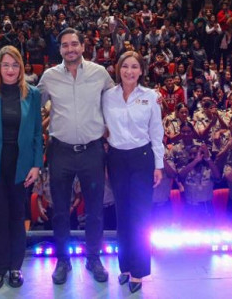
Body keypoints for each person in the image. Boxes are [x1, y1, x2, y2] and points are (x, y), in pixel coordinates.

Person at [38, 28, 115, 285]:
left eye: (74, 44)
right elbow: (32, 106)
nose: (70, 49)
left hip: (92, 151)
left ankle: (93, 257)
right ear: (59, 49)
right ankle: (63, 260)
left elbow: (115, 102)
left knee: (95, 210)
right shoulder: (49, 77)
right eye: (65, 45)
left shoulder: (99, 73)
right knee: (60, 211)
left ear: (83, 46)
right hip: (60, 152)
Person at [0, 45, 43, 289]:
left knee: (17, 216)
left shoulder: (32, 94)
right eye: (6, 65)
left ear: (21, 68)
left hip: (21, 166)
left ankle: (15, 267)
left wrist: (37, 165)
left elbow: (37, 132)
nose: (10, 69)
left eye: (15, 65)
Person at [102, 51, 164, 294]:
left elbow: (157, 133)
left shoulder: (150, 97)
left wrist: (158, 165)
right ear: (118, 69)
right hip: (116, 159)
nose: (129, 71)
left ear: (141, 71)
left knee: (140, 216)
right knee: (123, 216)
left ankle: (138, 271)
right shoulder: (107, 97)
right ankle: (125, 267)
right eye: (125, 66)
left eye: (134, 67)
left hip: (142, 158)